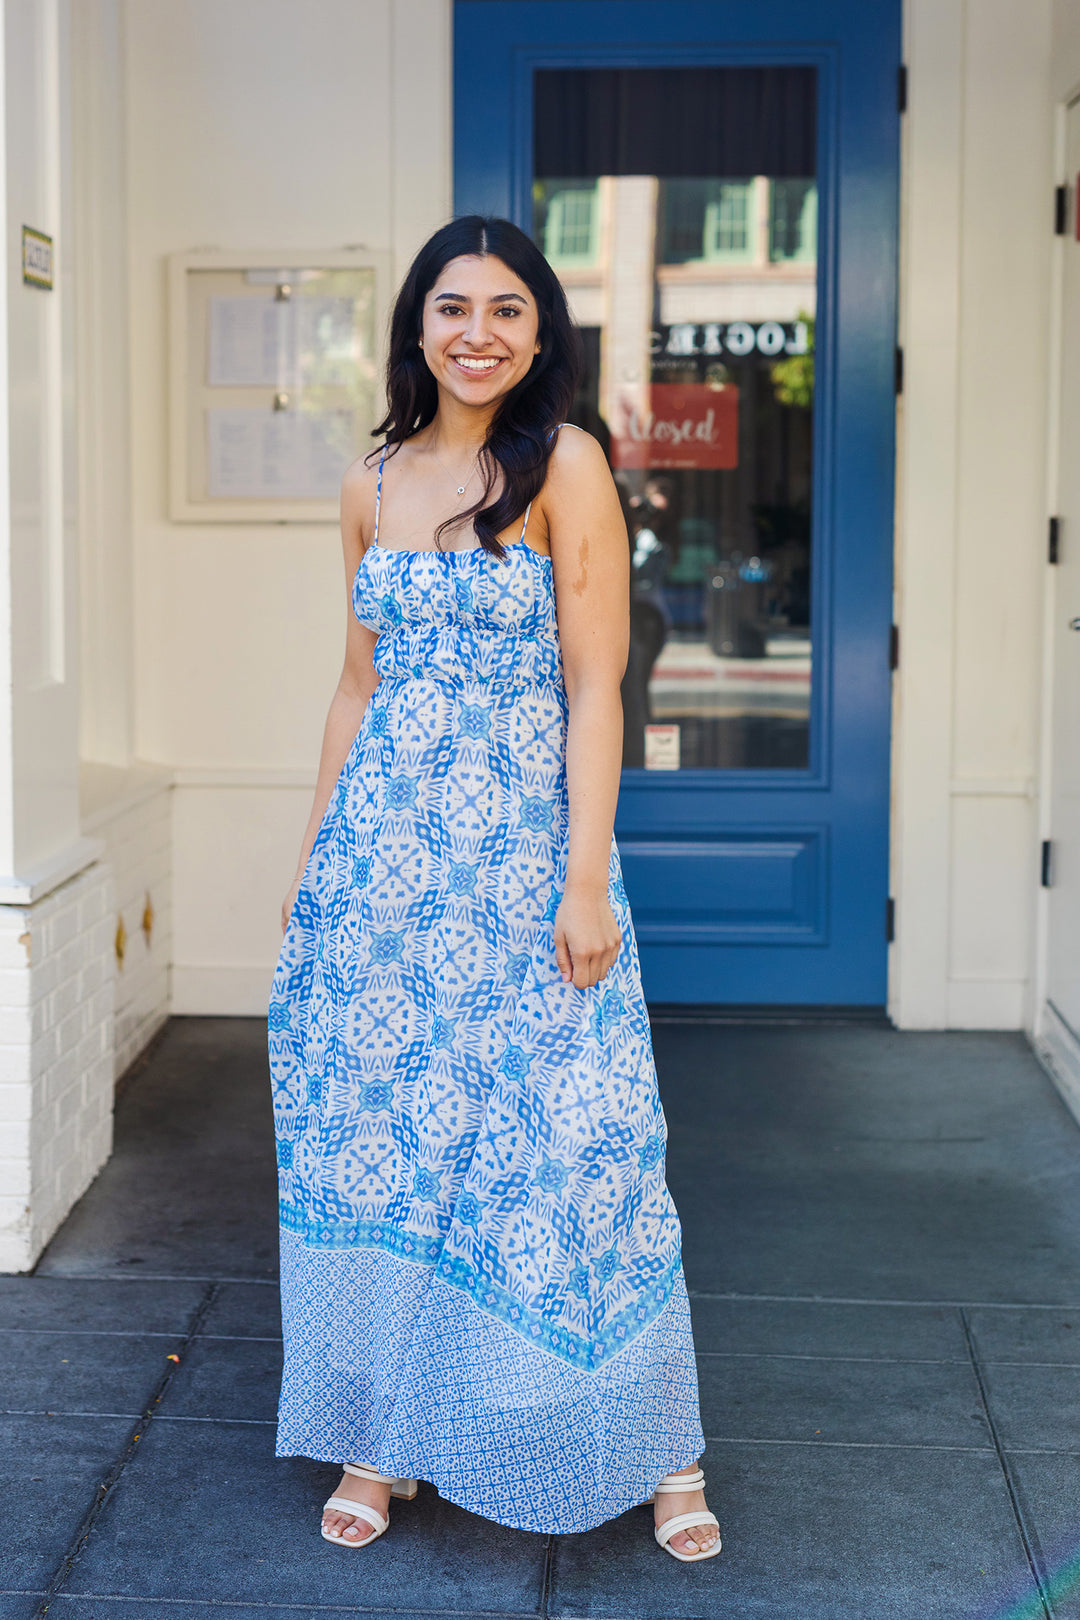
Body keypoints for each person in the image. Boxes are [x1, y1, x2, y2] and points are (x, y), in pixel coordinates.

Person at [267, 215, 721, 1562]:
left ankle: (663, 1446)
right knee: (398, 1142)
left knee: (581, 1146)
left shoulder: (566, 466)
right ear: (417, 325)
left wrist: (586, 881)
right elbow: (357, 686)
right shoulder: (369, 481)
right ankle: (382, 1438)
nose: (478, 333)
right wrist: (312, 880)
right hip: (385, 876)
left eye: (507, 310)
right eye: (453, 307)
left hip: (529, 863)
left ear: (540, 333)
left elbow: (598, 684)